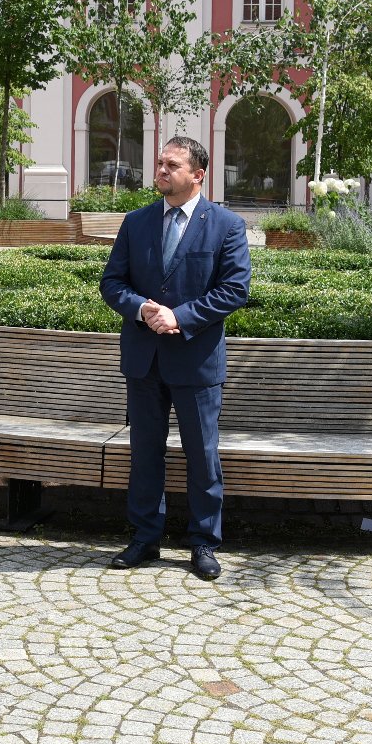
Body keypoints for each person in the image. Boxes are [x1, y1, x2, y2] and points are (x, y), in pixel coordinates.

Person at [99, 136, 251, 580]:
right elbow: (113, 283)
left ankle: (203, 542)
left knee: (202, 455)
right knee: (145, 453)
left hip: (195, 360)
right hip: (144, 360)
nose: (161, 170)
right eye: (160, 163)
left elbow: (234, 289)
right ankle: (145, 538)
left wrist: (179, 317)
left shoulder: (226, 225)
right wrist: (140, 308)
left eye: (172, 165)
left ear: (197, 174)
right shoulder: (137, 222)